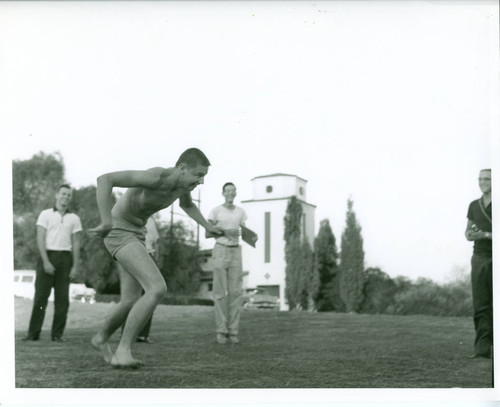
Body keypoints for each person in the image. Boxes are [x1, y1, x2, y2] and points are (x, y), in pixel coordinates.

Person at [88, 148, 222, 368]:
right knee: (156, 287)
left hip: (137, 234)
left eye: (203, 177)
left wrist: (207, 226)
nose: (201, 182)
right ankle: (123, 351)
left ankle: (100, 338)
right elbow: (105, 180)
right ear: (181, 168)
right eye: (198, 175)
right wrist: (106, 220)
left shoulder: (181, 186)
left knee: (130, 299)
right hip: (119, 231)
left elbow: (186, 205)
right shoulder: (156, 177)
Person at [23, 184, 82, 342]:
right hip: (47, 256)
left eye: (68, 195)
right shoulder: (45, 215)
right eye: (63, 194)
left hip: (65, 259)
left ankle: (57, 335)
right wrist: (46, 261)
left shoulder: (74, 218)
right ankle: (33, 334)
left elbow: (76, 243)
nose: (65, 197)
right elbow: (40, 238)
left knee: (62, 300)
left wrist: (75, 265)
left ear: (71, 198)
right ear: (57, 195)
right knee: (41, 298)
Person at [207, 182, 256, 345]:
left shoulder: (241, 212)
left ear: (235, 193)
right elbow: (208, 232)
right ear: (223, 193)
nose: (230, 193)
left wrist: (251, 236)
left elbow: (245, 232)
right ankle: (221, 331)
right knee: (220, 293)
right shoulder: (215, 211)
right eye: (227, 191)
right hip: (221, 249)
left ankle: (233, 332)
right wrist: (225, 231)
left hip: (236, 251)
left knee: (235, 293)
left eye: (232, 191)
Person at [465, 168, 493, 359]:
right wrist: (471, 234)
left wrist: (485, 235)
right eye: (480, 179)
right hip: (479, 257)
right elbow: (467, 232)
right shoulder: (474, 205)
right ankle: (483, 350)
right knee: (481, 304)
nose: (483, 182)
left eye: (487, 179)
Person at [120, 217, 160, 343]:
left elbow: (156, 243)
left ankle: (143, 334)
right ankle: (126, 334)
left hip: (150, 255)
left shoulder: (152, 220)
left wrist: (157, 258)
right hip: (135, 255)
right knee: (132, 297)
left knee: (150, 295)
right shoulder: (131, 216)